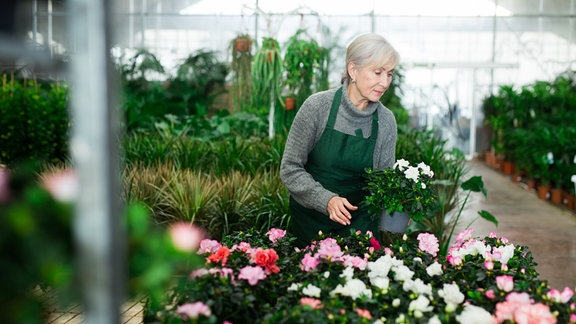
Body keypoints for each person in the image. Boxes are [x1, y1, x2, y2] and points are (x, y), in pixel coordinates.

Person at [280, 33, 400, 248]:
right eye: (377, 72)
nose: (385, 82)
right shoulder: (317, 107)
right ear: (353, 70)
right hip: (311, 224)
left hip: (361, 226)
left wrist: (399, 215)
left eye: (389, 74)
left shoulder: (385, 121)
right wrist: (326, 200)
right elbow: (290, 168)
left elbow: (383, 183)